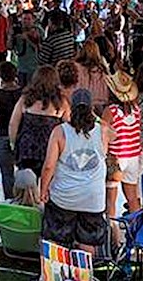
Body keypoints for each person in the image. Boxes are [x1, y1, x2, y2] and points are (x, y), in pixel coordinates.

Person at [40, 89, 110, 255]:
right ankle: (83, 269)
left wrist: (43, 189)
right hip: (93, 198)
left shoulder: (60, 131)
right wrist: (96, 118)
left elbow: (49, 166)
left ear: (71, 107)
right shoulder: (103, 131)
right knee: (88, 242)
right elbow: (111, 138)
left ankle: (57, 268)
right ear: (91, 108)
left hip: (64, 196)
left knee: (57, 239)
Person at [9, 66, 67, 174]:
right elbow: (69, 125)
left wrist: (13, 143)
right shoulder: (61, 102)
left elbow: (13, 124)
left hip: (27, 148)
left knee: (27, 180)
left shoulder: (25, 99)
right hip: (50, 148)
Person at [104, 69, 142, 216]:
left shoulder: (111, 111)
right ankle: (136, 226)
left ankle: (112, 229)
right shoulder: (136, 110)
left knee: (111, 200)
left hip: (116, 158)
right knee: (132, 198)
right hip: (133, 157)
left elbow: (103, 134)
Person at [0, 62, 23, 199]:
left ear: (0, 76)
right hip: (20, 135)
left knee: (7, 173)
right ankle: (24, 197)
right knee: (23, 170)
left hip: (1, 135)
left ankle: (10, 200)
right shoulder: (24, 95)